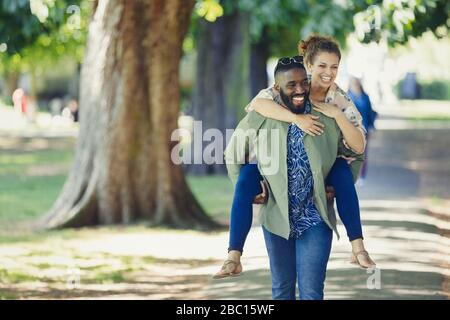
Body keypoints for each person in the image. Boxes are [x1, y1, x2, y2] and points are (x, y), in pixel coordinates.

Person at [214, 36, 376, 281]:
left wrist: (336, 115)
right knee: (247, 176)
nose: (328, 73)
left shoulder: (338, 99)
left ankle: (358, 247)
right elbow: (258, 105)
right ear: (309, 66)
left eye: (334, 67)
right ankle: (233, 255)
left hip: (324, 172)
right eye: (322, 66)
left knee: (342, 170)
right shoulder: (289, 87)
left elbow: (358, 145)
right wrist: (296, 118)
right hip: (274, 172)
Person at [348, 77, 377, 184]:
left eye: (356, 83)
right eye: (353, 83)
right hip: (350, 129)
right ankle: (351, 175)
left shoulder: (365, 97)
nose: (355, 85)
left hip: (364, 129)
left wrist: (372, 127)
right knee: (350, 154)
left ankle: (362, 176)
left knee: (363, 154)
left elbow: (370, 113)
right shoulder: (346, 97)